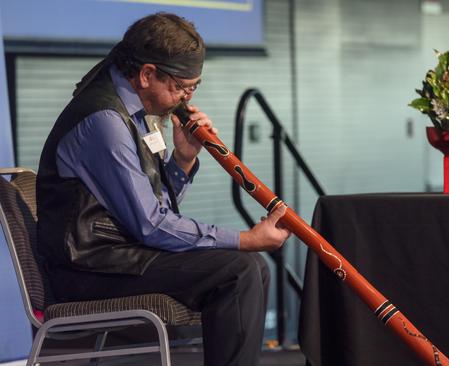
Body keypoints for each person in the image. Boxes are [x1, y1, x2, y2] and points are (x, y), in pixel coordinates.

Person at [36, 12, 291, 366]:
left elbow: (154, 210)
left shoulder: (132, 109)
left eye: (193, 88)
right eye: (182, 88)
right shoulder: (105, 122)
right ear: (146, 74)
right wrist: (246, 238)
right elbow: (152, 225)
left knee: (251, 267)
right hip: (85, 271)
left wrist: (183, 160)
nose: (185, 99)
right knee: (240, 268)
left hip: (118, 255)